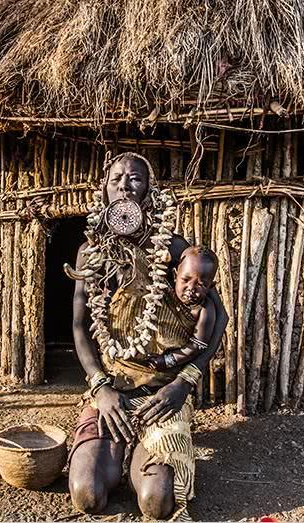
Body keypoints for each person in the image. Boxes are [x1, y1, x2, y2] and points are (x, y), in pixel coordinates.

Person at [66, 152, 228, 521]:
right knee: (87, 495)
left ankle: (150, 446)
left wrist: (184, 383)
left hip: (162, 392)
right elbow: (79, 327)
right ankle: (114, 444)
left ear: (148, 190)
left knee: (157, 503)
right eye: (116, 178)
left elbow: (219, 317)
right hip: (112, 387)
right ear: (104, 190)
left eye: (135, 179)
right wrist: (100, 387)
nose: (125, 185)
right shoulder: (90, 252)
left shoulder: (170, 247)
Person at [145, 246, 218, 372]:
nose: (191, 288)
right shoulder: (161, 293)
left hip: (170, 366)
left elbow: (196, 346)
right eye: (185, 280)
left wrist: (167, 361)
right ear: (175, 275)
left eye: (201, 284)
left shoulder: (205, 310)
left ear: (210, 286)